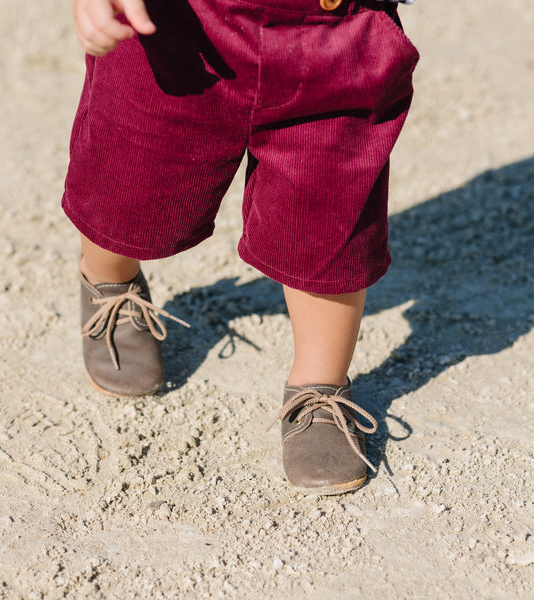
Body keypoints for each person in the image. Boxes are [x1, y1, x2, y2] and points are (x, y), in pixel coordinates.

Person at [63, 0, 419, 495]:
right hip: (183, 22)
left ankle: (320, 384)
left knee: (327, 212)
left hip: (338, 29)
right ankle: (109, 282)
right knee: (131, 181)